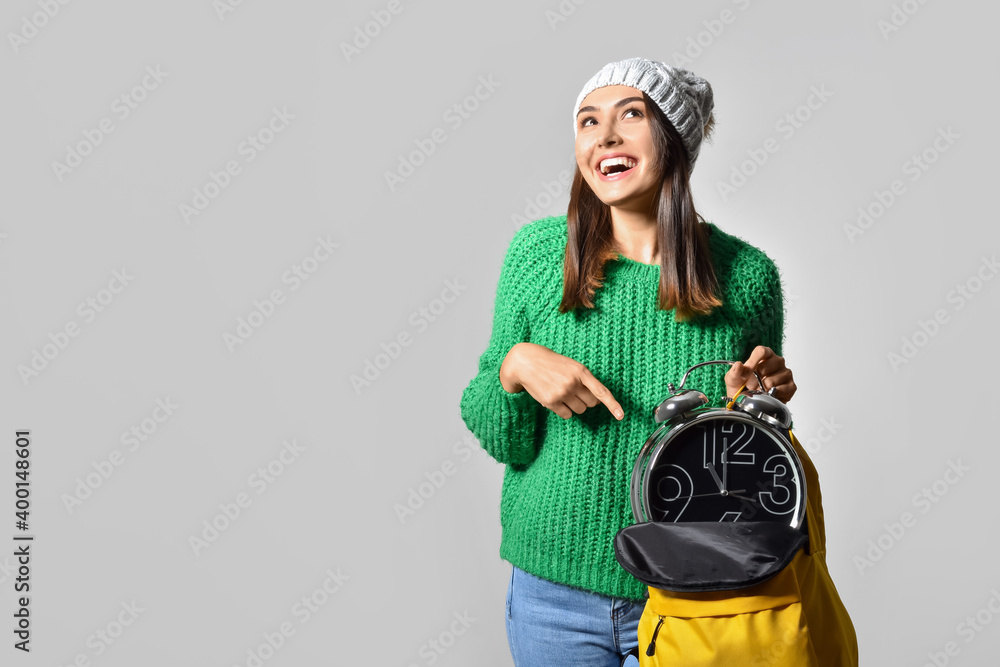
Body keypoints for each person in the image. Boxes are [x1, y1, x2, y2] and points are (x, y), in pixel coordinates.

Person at [459, 56, 797, 667]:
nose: (604, 136)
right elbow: (502, 437)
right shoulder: (537, 256)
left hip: (698, 596)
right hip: (553, 598)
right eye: (588, 122)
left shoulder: (748, 278)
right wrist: (512, 368)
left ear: (675, 141)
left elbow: (750, 474)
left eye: (630, 115)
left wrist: (762, 403)